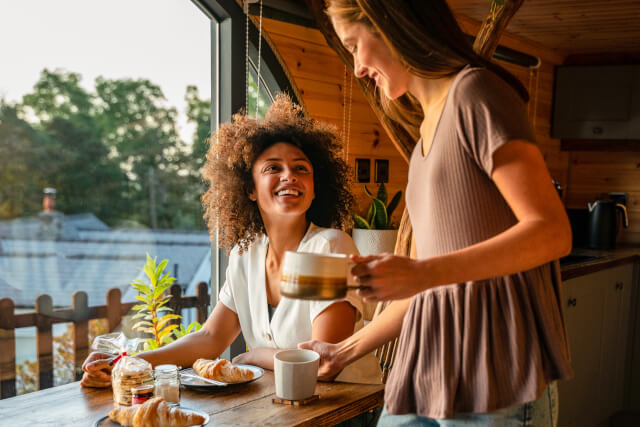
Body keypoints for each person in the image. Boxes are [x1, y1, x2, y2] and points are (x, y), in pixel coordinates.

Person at [299, 1, 574, 425]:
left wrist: (423, 272)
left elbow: (553, 231)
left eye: (355, 46)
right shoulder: (427, 132)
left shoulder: (476, 93)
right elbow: (427, 285)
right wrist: (342, 352)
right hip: (425, 367)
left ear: (391, 25)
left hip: (492, 371)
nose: (356, 68)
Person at [81, 94, 381, 387]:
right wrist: (129, 362)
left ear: (315, 188)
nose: (289, 175)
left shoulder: (327, 247)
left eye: (301, 168)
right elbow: (210, 338)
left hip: (343, 410)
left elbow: (321, 365)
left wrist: (254, 355)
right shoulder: (246, 254)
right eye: (273, 168)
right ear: (249, 188)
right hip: (279, 409)